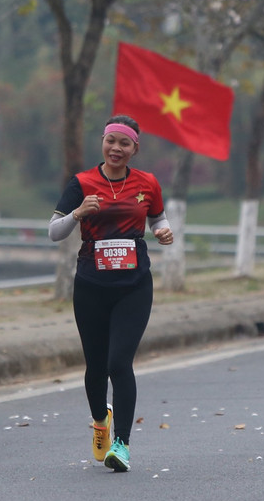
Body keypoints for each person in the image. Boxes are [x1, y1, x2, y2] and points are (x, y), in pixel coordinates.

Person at [49, 114, 173, 473]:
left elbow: (158, 219)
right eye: (111, 141)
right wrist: (77, 213)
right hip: (91, 284)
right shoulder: (82, 182)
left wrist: (163, 232)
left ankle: (122, 444)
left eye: (124, 143)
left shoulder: (147, 182)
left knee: (120, 363)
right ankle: (100, 422)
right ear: (102, 142)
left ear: (135, 149)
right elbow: (53, 232)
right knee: (97, 366)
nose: (116, 148)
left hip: (134, 284)